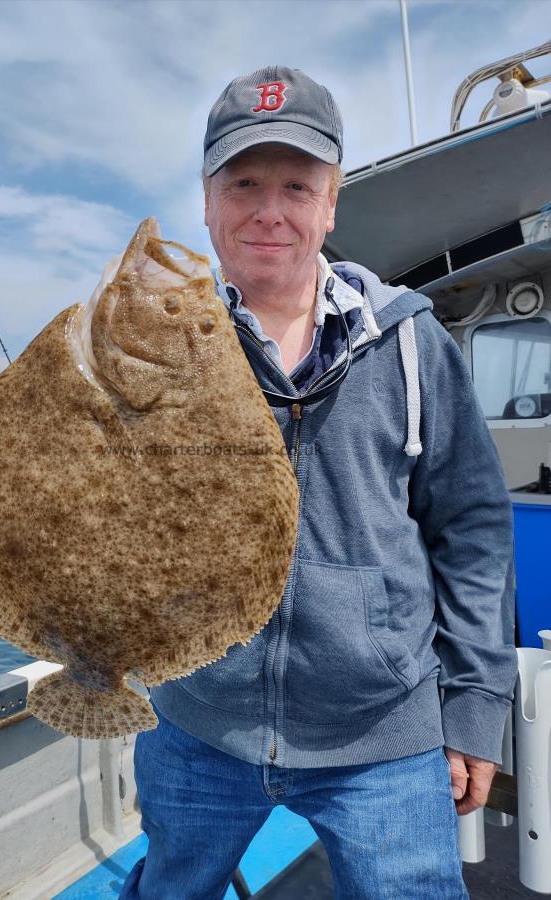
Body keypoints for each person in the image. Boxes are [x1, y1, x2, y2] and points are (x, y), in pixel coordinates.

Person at [119, 65, 518, 899]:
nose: (269, 210)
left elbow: (472, 529)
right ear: (207, 198)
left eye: (297, 185)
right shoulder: (155, 349)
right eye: (244, 182)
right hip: (197, 721)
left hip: (383, 732)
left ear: (330, 204)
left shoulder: (411, 345)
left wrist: (476, 702)